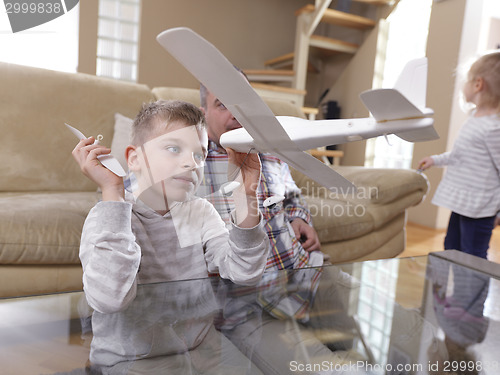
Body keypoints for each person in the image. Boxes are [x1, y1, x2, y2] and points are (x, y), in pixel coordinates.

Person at [71, 100, 268, 372]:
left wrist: (246, 197)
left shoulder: (200, 212)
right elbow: (110, 298)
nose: (191, 163)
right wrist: (113, 193)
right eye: (174, 148)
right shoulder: (107, 217)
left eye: (200, 155)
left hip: (201, 344)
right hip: (134, 357)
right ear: (134, 159)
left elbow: (245, 271)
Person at [198, 83, 366, 374]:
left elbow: (291, 194)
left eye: (240, 103)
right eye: (222, 104)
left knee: (371, 349)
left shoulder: (270, 149)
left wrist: (300, 217)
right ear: (204, 113)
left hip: (307, 276)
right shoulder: (189, 162)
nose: (234, 114)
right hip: (248, 309)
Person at [418, 51, 500, 259]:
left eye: (466, 80)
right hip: (463, 202)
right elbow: (461, 154)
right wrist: (436, 160)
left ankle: (470, 293)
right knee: (451, 246)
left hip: (481, 207)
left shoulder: (494, 128)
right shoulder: (474, 118)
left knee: (472, 255)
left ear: (478, 84)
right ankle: (455, 291)